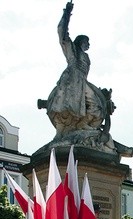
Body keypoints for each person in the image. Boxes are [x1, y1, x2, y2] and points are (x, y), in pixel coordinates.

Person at [46, 2, 108, 135]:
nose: (89, 45)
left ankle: (83, 123)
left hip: (82, 81)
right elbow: (62, 35)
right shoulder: (72, 49)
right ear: (80, 41)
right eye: (87, 41)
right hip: (71, 79)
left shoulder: (86, 56)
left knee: (96, 104)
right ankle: (67, 127)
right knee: (66, 106)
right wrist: (66, 14)